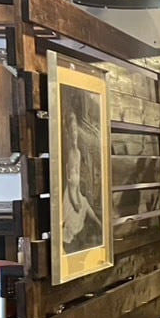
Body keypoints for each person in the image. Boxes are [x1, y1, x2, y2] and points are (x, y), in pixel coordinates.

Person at [61, 93, 103, 254]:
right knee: (78, 211)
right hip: (71, 194)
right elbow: (71, 182)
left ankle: (99, 225)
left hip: (76, 192)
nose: (75, 134)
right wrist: (75, 200)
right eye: (72, 130)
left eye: (76, 130)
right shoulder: (70, 153)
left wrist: (79, 197)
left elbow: (77, 183)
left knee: (86, 205)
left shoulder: (77, 152)